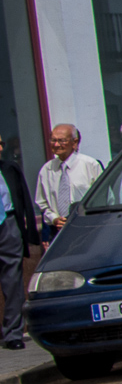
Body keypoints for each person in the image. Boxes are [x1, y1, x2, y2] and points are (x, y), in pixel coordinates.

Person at [0, 138, 40, 350]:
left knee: (13, 282)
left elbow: (23, 200)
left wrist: (30, 234)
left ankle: (13, 333)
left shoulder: (10, 169)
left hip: (7, 225)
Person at [34, 124, 103, 240]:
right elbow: (42, 203)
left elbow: (103, 197)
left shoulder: (90, 165)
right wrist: (54, 218)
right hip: (58, 232)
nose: (56, 145)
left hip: (87, 229)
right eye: (53, 140)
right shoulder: (47, 169)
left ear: (74, 142)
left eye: (61, 141)